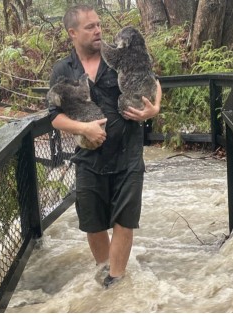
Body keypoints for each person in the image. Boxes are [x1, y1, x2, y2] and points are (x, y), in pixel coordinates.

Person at [48, 4, 162, 288]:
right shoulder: (63, 70)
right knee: (93, 222)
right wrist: (84, 128)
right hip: (88, 157)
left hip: (128, 153)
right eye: (90, 27)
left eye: (99, 25)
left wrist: (154, 108)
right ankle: (106, 275)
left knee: (125, 219)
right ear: (72, 33)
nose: (98, 30)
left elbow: (152, 80)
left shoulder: (118, 57)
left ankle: (116, 281)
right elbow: (54, 117)